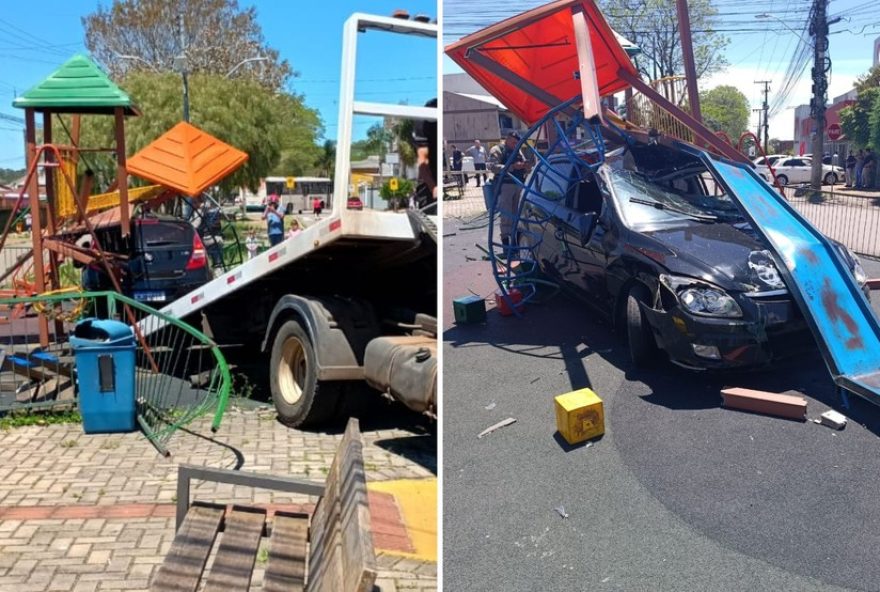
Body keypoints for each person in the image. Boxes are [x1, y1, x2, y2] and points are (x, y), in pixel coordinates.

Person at [488, 131, 531, 249]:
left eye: (517, 143)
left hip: (519, 185)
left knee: (518, 214)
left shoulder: (518, 151)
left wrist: (525, 166)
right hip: (505, 186)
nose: (515, 145)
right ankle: (506, 243)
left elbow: (523, 164)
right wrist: (512, 167)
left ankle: (516, 242)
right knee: (506, 215)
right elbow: (492, 166)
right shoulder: (497, 149)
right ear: (507, 139)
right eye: (513, 142)